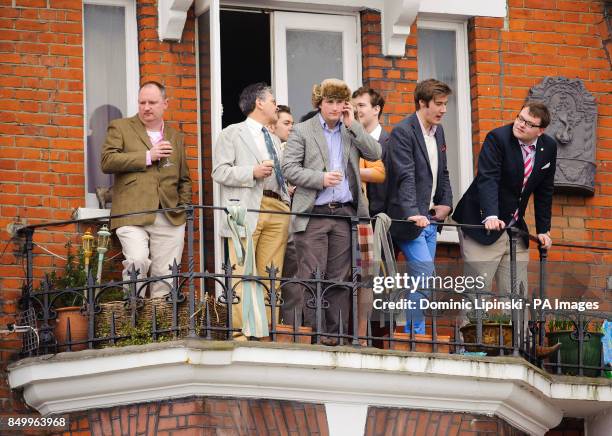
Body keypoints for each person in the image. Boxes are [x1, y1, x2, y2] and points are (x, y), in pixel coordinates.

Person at [282, 78, 381, 345]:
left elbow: (376, 152)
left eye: (340, 102)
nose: (335, 107)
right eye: (330, 102)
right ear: (320, 103)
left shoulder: (351, 129)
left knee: (339, 278)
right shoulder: (302, 130)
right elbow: (288, 168)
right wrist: (321, 179)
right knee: (314, 275)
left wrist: (355, 125)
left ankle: (336, 334)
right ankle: (317, 333)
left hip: (345, 214)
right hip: (314, 213)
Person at [452, 102, 556, 340]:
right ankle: (468, 347)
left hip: (514, 228)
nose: (520, 124)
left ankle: (521, 346)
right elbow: (488, 178)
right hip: (480, 222)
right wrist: (490, 215)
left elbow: (545, 190)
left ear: (541, 130)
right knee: (479, 290)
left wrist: (544, 230)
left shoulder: (548, 147)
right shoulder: (498, 138)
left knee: (516, 291)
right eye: (520, 118)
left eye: (529, 123)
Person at [212, 82, 291, 339]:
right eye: (272, 100)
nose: (275, 105)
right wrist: (252, 172)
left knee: (272, 273)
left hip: (277, 207)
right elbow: (219, 172)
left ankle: (267, 332)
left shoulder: (275, 138)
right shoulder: (232, 133)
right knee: (243, 271)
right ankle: (240, 332)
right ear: (259, 102)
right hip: (245, 207)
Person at [101, 81, 192, 298]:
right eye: (142, 102)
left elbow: (184, 178)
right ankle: (133, 321)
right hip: (132, 212)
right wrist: (148, 156)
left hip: (170, 214)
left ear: (165, 104)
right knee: (136, 261)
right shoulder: (120, 127)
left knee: (166, 276)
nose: (146, 107)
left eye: (152, 102)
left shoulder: (175, 136)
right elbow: (107, 161)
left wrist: (183, 205)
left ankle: (160, 328)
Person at [385, 79, 453, 334]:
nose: (443, 109)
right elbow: (405, 175)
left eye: (445, 104)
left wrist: (446, 203)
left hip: (431, 221)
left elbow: (443, 172)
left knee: (422, 281)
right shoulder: (403, 131)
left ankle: (416, 335)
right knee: (425, 277)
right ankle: (417, 335)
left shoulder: (440, 132)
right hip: (409, 220)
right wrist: (413, 212)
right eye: (438, 104)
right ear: (422, 103)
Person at [352, 86, 389, 216]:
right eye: (354, 106)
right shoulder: (349, 141)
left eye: (361, 105)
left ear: (376, 109)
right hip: (353, 218)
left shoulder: (391, 143)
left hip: (382, 220)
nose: (356, 110)